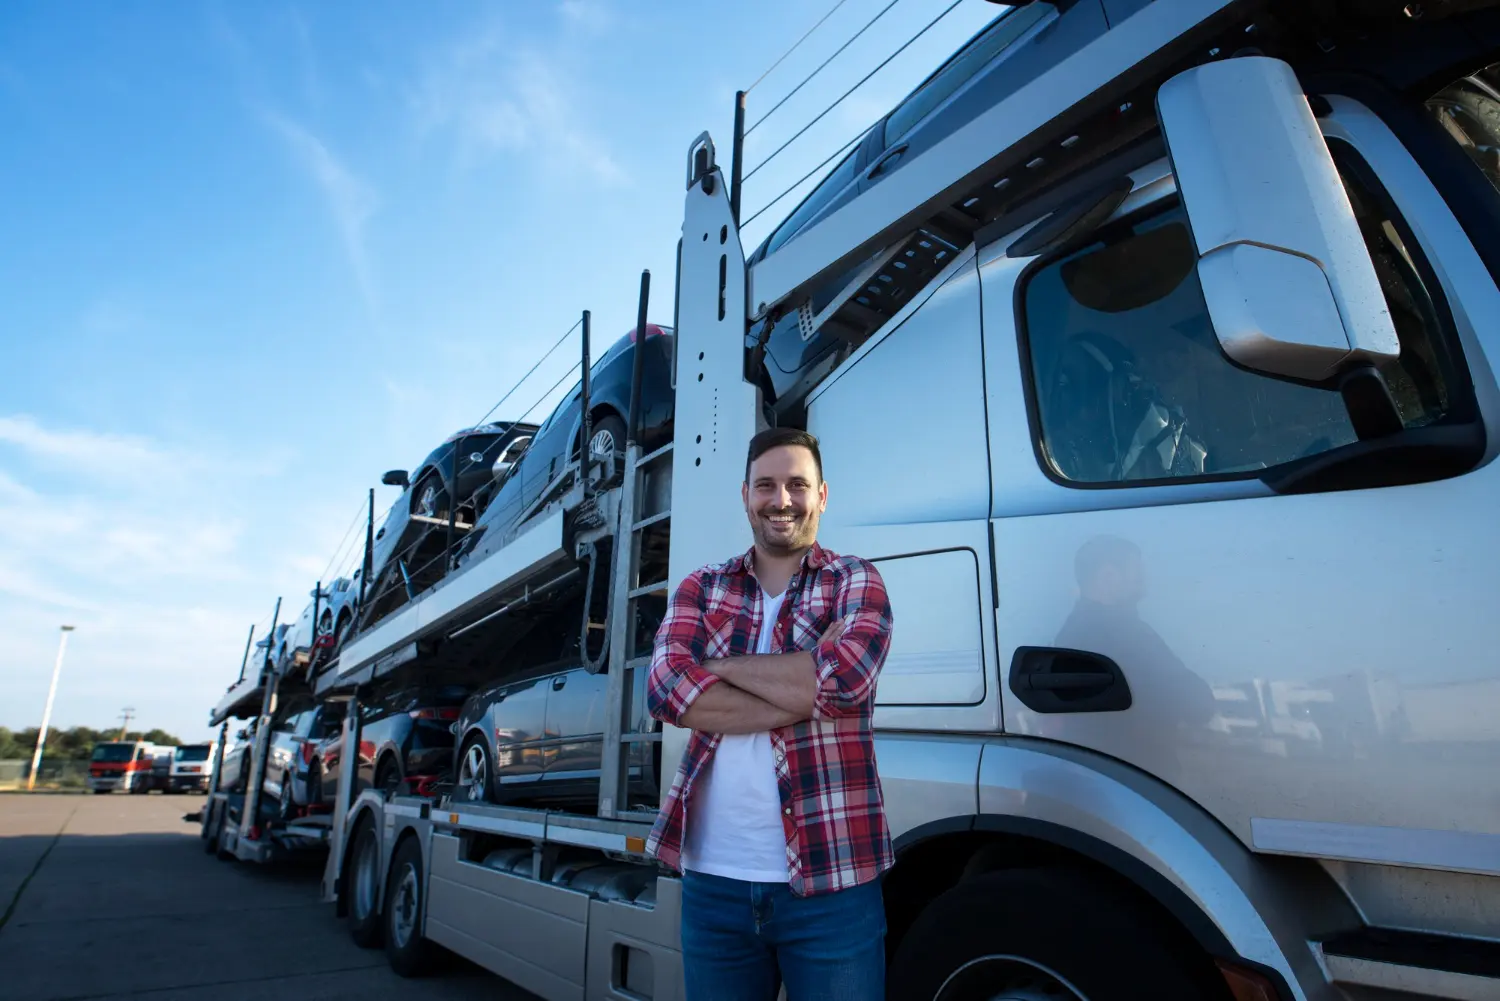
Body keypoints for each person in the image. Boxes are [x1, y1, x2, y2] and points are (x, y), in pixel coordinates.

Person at [645, 427, 895, 1001]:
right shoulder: (702, 587)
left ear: (822, 496)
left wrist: (715, 665)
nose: (781, 500)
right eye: (766, 485)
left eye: (797, 485)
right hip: (714, 887)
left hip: (834, 883)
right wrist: (801, 678)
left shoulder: (856, 580)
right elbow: (664, 691)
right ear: (745, 495)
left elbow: (842, 683)